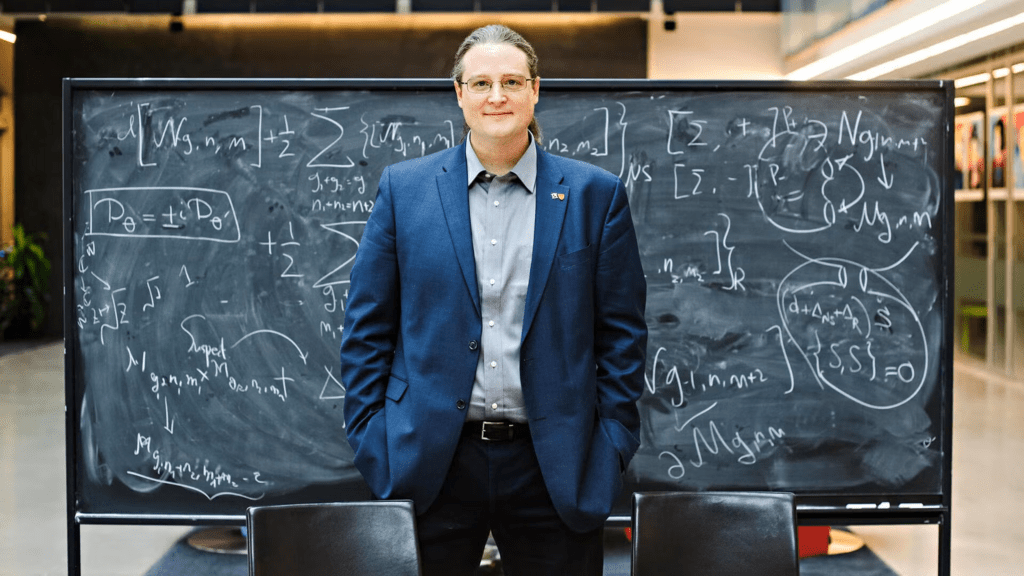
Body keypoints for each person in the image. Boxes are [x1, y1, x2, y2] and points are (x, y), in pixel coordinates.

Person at [339, 24, 648, 576]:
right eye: (481, 83)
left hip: (556, 464)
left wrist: (611, 445)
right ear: (460, 94)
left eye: (511, 81)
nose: (496, 96)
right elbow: (367, 329)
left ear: (535, 90)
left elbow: (622, 337)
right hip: (429, 459)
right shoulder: (404, 190)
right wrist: (372, 439)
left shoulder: (594, 196)